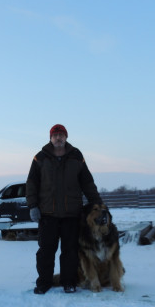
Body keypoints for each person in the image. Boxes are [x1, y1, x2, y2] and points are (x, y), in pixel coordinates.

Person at [26, 124, 103, 294]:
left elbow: (87, 183)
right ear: (50, 138)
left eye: (61, 135)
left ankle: (69, 282)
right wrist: (33, 206)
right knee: (46, 251)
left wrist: (98, 205)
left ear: (66, 137)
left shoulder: (76, 156)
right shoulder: (40, 158)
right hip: (47, 214)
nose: (58, 138)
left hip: (72, 214)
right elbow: (31, 184)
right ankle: (44, 283)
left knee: (70, 251)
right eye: (55, 135)